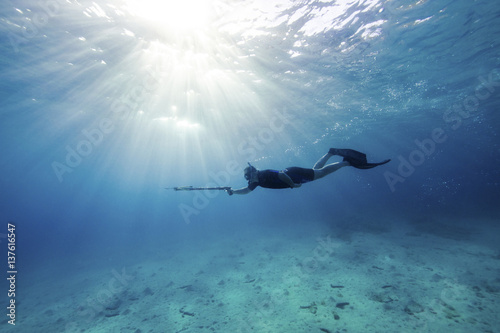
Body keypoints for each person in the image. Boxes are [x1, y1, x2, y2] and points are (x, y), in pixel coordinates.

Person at [227, 148, 390, 195]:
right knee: (315, 171)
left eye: (249, 176)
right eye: (248, 178)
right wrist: (233, 191)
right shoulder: (256, 182)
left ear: (254, 172)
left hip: (293, 175)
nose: (249, 180)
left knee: (319, 174)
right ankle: (330, 153)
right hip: (293, 173)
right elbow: (246, 191)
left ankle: (345, 163)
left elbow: (281, 175)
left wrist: (292, 185)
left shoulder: (263, 174)